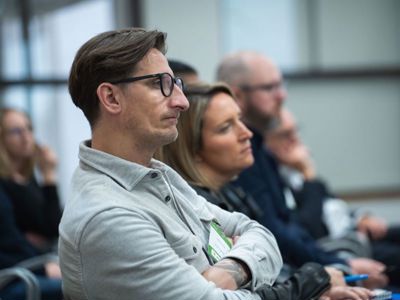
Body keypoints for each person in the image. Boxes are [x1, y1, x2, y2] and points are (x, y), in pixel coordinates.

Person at [59, 28, 286, 300]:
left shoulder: (159, 176)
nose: (182, 101)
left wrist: (234, 269)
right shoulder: (107, 217)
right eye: (159, 84)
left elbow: (257, 232)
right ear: (111, 98)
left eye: (175, 84)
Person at [157, 82, 373, 300]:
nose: (247, 133)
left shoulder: (229, 194)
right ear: (191, 148)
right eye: (226, 128)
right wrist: (312, 282)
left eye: (239, 120)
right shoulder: (194, 205)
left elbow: (271, 244)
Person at [216, 50, 389, 289]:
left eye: (281, 85)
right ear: (238, 94)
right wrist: (339, 264)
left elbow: (292, 223)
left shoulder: (260, 148)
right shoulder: (245, 155)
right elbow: (278, 230)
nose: (282, 95)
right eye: (269, 88)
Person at [266, 108, 400, 287]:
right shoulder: (276, 180)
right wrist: (308, 174)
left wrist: (362, 216)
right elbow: (308, 229)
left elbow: (332, 204)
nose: (295, 139)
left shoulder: (293, 173)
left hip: (355, 233)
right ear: (265, 143)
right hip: (339, 249)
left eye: (295, 131)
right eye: (285, 134)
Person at [0, 108, 62, 252]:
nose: (26, 137)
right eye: (16, 131)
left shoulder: (28, 178)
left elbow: (53, 227)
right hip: (25, 265)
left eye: (29, 128)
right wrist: (48, 177)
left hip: (42, 257)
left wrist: (48, 175)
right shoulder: (4, 184)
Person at [0, 185, 62, 300]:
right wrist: (42, 269)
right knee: (76, 288)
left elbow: (15, 239)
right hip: (10, 279)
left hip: (24, 267)